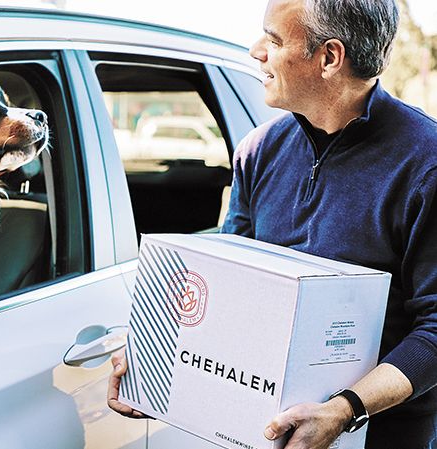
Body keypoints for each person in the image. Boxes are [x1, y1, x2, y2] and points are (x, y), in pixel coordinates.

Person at [108, 0, 437, 448]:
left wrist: (344, 410)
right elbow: (223, 286)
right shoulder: (258, 150)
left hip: (383, 433)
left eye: (275, 39)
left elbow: (435, 329)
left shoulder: (425, 165)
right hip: (265, 429)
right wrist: (152, 355)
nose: (256, 50)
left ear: (329, 58)